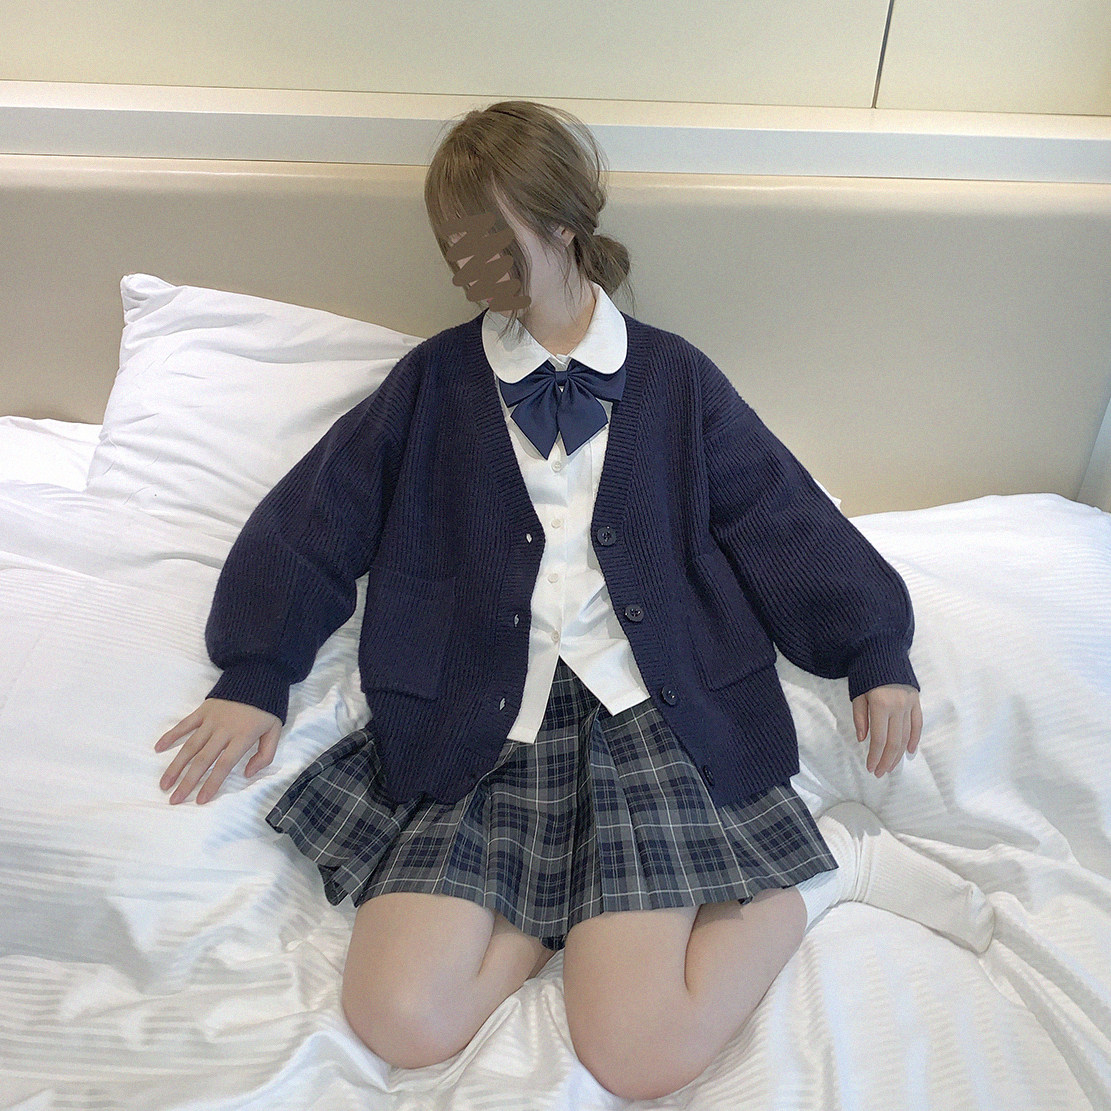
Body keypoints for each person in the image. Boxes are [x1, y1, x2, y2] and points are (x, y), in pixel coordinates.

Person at [153, 100, 994, 1101]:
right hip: (473, 720)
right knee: (398, 1017)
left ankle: (834, 869)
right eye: (449, 243)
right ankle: (561, 908)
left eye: (485, 239)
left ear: (561, 227)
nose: (463, 266)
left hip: (648, 721)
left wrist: (871, 648)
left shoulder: (675, 380)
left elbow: (780, 517)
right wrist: (256, 671)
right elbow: (316, 517)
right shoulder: (432, 383)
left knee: (636, 1052)